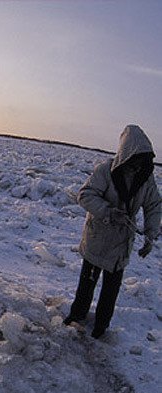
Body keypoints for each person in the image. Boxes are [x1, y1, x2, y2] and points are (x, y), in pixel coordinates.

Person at [64, 125, 160, 339]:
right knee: (87, 283)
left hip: (121, 243)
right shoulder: (105, 171)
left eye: (143, 159)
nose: (139, 164)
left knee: (111, 289)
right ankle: (76, 316)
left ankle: (101, 327)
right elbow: (85, 195)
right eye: (136, 158)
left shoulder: (147, 178)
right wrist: (108, 212)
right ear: (127, 153)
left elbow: (154, 206)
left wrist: (150, 235)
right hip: (98, 238)